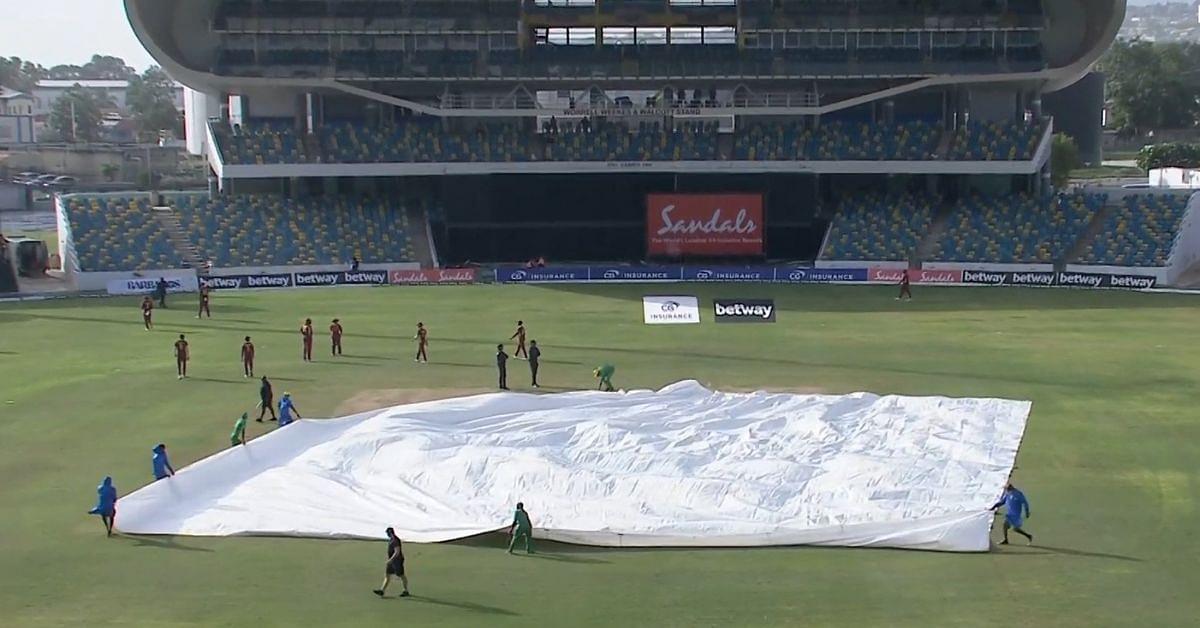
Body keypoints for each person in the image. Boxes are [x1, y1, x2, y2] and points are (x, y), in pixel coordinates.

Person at [373, 527, 410, 598]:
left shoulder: (395, 540)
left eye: (387, 533)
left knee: (401, 575)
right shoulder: (391, 540)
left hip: (397, 561)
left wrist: (391, 560)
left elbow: (397, 552)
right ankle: (382, 590)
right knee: (387, 575)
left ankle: (406, 590)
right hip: (392, 561)